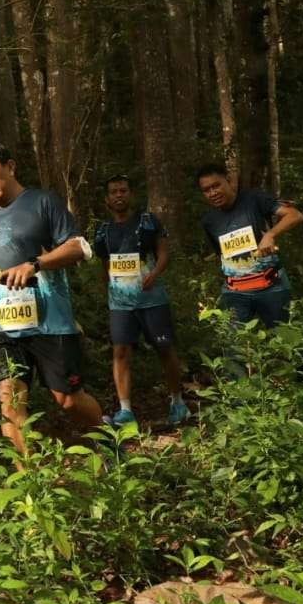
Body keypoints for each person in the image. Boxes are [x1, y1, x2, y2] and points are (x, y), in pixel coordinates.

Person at [0, 144, 105, 458]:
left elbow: (80, 248)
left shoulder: (43, 202)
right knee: (9, 403)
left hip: (50, 322)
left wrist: (35, 264)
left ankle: (110, 443)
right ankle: (30, 489)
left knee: (67, 399)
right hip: (5, 327)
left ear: (10, 167)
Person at [91, 175, 189, 428]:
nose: (119, 195)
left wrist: (154, 274)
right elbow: (105, 264)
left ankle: (178, 402)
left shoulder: (147, 222)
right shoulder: (103, 230)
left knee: (165, 349)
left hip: (152, 300)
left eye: (123, 190)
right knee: (120, 352)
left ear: (130, 194)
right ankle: (125, 411)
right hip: (120, 304)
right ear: (107, 199)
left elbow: (163, 252)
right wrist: (109, 292)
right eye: (113, 192)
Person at [196, 162, 303, 329]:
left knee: (284, 343)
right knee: (234, 349)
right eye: (207, 190)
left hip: (272, 287)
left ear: (229, 181)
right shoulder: (209, 221)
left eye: (216, 186)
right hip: (235, 293)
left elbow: (295, 215)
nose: (213, 193)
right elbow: (221, 255)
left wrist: (270, 234)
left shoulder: (254, 199)